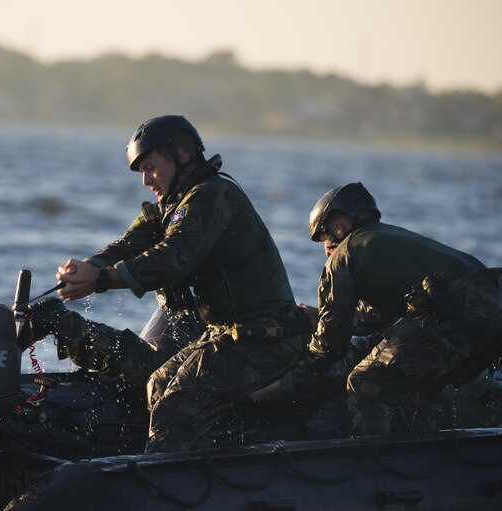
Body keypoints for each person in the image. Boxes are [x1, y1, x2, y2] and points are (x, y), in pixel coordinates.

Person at [28, 114, 308, 453]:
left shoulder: (213, 195)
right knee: (159, 383)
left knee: (175, 405)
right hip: (230, 337)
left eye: (151, 167)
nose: (146, 180)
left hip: (266, 340)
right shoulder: (175, 205)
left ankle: (171, 482)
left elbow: (175, 256)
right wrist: (91, 266)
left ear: (181, 155)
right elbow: (138, 238)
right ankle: (197, 458)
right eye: (141, 171)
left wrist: (102, 279)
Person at [302, 182, 502, 435]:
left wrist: (301, 366)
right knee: (420, 386)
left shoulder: (343, 254)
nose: (325, 249)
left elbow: (331, 344)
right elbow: (374, 318)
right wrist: (319, 318)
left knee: (365, 380)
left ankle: (375, 465)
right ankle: (424, 455)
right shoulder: (387, 241)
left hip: (462, 308)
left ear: (338, 227)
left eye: (323, 239)